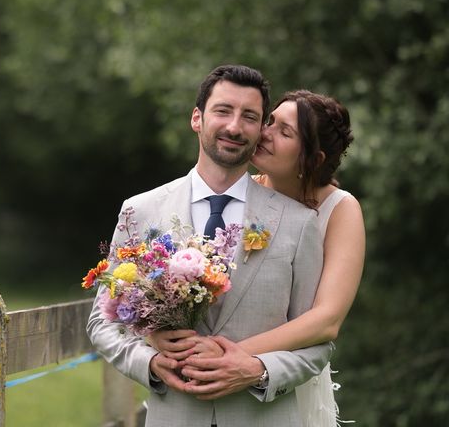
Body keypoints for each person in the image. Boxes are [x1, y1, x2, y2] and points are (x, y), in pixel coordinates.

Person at [87, 65, 333, 427]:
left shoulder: (299, 223)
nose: (234, 127)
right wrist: (151, 363)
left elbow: (317, 345)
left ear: (261, 128)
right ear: (197, 118)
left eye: (249, 116)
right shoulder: (140, 211)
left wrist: (258, 370)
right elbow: (102, 323)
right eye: (223, 111)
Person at [153, 90, 365, 426]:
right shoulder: (237, 192)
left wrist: (234, 356)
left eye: (285, 132)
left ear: (315, 157)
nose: (264, 133)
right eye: (270, 122)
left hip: (283, 379)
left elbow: (326, 320)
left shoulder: (339, 209)